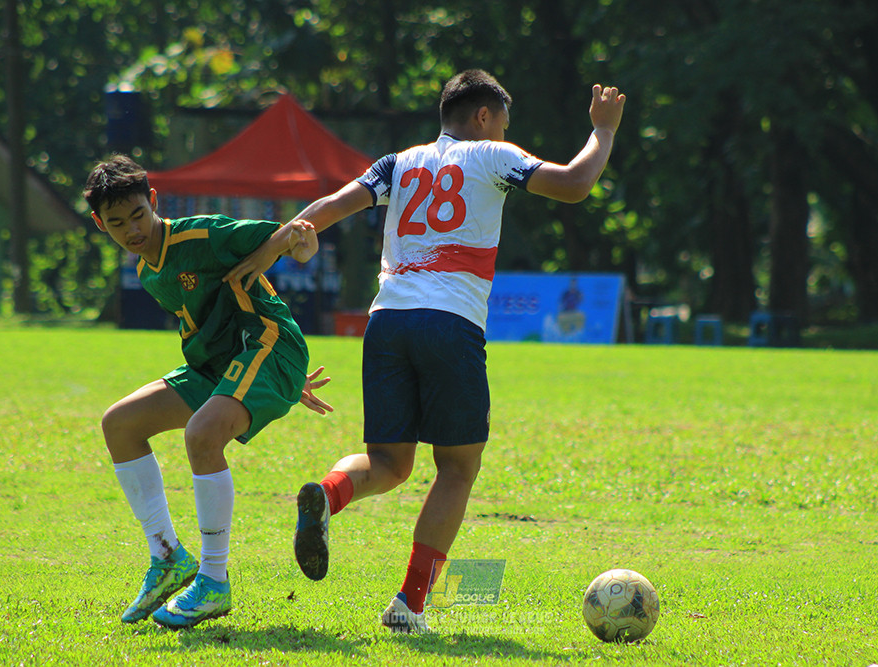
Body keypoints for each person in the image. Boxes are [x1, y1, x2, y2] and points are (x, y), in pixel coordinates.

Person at [225, 69, 625, 633]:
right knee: (458, 467)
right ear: (484, 117)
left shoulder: (398, 162)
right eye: (502, 123)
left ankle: (328, 493)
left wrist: (266, 254)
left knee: (389, 462)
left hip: (386, 321)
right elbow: (575, 183)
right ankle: (409, 606)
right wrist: (603, 131)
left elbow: (330, 206)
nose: (504, 132)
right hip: (450, 321)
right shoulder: (492, 153)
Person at [83, 154, 332, 629]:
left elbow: (285, 235)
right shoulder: (148, 272)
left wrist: (299, 246)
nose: (132, 229)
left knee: (201, 436)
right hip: (221, 365)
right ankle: (167, 556)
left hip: (267, 347)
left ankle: (214, 581)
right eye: (117, 223)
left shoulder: (202, 234)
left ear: (153, 201)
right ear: (100, 224)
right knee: (120, 424)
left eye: (138, 214)